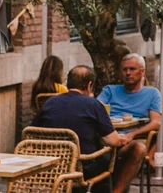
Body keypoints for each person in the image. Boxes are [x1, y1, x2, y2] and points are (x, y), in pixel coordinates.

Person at [37, 64, 153, 193]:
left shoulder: (50, 103)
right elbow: (113, 142)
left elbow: (34, 131)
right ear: (89, 85)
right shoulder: (93, 105)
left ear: (68, 83)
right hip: (84, 168)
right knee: (125, 155)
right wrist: (117, 138)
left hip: (52, 167)